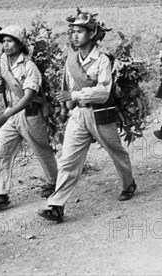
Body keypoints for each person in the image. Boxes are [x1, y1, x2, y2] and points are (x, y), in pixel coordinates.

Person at [38, 12, 136, 223]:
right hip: (78, 114)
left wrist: (74, 95)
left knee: (115, 151)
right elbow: (66, 85)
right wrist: (65, 109)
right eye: (72, 32)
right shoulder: (71, 60)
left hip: (100, 113)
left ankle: (128, 184)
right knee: (68, 160)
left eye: (80, 32)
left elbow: (103, 92)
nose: (75, 36)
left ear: (92, 34)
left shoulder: (102, 60)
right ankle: (56, 205)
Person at [0, 25, 58, 209]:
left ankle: (54, 182)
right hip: (10, 115)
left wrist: (6, 114)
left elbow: (28, 97)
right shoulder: (1, 62)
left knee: (41, 149)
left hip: (29, 114)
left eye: (9, 41)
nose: (5, 45)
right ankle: (0, 193)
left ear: (19, 44)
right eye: (3, 42)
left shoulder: (29, 66)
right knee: (2, 151)